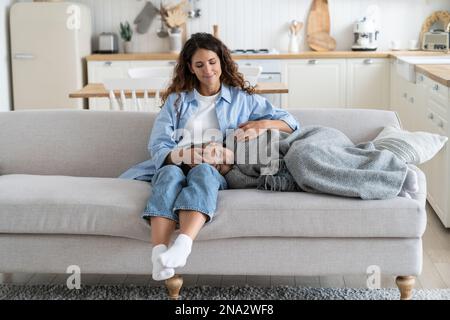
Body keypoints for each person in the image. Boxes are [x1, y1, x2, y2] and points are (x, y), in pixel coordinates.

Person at [119, 33, 299, 281]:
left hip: (212, 167)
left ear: (222, 61)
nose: (208, 70)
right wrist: (182, 154)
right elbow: (158, 144)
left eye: (212, 62)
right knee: (169, 174)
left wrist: (264, 124)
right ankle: (158, 253)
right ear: (190, 68)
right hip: (177, 160)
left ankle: (182, 246)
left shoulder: (242, 100)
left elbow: (291, 123)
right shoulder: (177, 101)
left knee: (203, 172)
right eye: (200, 64)